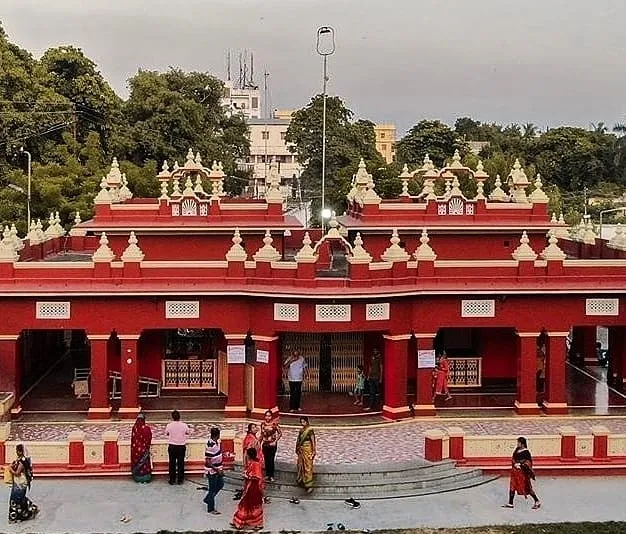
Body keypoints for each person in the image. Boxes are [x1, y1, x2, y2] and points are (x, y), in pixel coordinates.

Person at [230, 448, 264, 531]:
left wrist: (246, 476)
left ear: (249, 455)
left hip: (253, 487)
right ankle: (240, 522)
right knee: (247, 505)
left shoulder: (255, 464)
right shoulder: (252, 463)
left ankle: (258, 524)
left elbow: (257, 477)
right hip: (250, 487)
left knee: (251, 505)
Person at [503, 437, 541, 510]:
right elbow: (513, 458)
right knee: (512, 486)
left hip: (522, 473)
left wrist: (520, 465)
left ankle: (537, 501)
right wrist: (514, 464)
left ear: (522, 443)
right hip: (515, 472)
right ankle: (510, 503)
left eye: (518, 443)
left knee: (527, 488)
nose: (517, 444)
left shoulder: (526, 452)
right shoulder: (517, 450)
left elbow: (528, 462)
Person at [8, 444, 38, 523]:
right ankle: (31, 508)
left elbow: (17, 473)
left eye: (17, 451)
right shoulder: (22, 459)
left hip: (20, 483)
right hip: (19, 482)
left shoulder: (22, 462)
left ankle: (17, 517)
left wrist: (10, 469)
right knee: (20, 498)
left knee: (16, 499)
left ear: (21, 451)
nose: (16, 452)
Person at [203, 426, 225, 515]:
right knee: (212, 489)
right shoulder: (210, 446)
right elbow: (208, 462)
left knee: (221, 484)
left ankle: (208, 499)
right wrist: (216, 469)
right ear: (218, 435)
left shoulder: (217, 443)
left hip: (218, 468)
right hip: (212, 470)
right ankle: (210, 508)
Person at [165, 409, 189, 485]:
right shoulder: (184, 425)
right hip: (181, 446)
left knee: (172, 463)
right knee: (181, 463)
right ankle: (180, 480)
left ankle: (172, 480)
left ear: (172, 417)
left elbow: (166, 433)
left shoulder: (169, 425)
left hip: (172, 446)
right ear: (179, 417)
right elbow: (187, 432)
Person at [295, 416, 316, 494]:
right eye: (301, 422)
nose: (302, 423)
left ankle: (309, 485)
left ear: (307, 422)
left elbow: (313, 440)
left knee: (308, 466)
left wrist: (313, 450)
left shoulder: (310, 430)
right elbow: (298, 440)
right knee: (300, 465)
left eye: (304, 422)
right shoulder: (301, 430)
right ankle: (302, 480)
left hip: (308, 449)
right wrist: (297, 448)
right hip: (301, 449)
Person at [261, 410, 282, 482]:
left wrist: (275, 441)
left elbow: (280, 433)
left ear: (271, 416)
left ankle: (271, 475)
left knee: (271, 460)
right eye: (266, 415)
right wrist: (259, 442)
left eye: (269, 416)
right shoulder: (263, 424)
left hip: (272, 445)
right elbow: (262, 434)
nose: (267, 417)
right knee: (266, 460)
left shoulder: (274, 424)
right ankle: (267, 475)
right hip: (265, 444)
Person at [130, 412, 152, 483]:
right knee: (145, 464)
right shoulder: (146, 428)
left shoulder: (134, 428)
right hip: (144, 450)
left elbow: (133, 439)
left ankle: (137, 477)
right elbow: (149, 438)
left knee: (137, 463)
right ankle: (146, 478)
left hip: (136, 451)